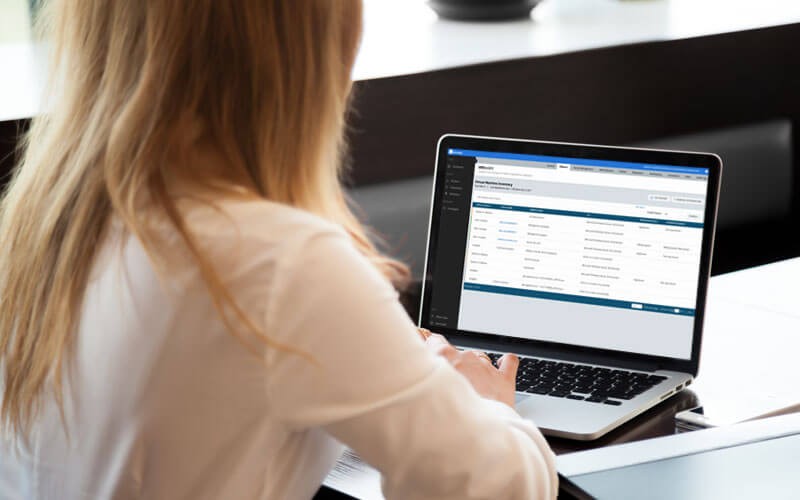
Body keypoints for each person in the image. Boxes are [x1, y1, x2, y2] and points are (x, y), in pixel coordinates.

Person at [0, 1, 557, 498]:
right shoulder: (278, 262)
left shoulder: (44, 227)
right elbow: (487, 487)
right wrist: (482, 408)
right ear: (307, 45)